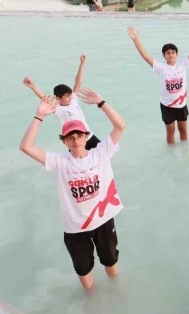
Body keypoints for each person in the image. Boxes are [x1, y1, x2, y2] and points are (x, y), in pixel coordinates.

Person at [18, 88, 126, 290]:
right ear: (64, 141)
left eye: (79, 135)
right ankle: (92, 303)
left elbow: (120, 126)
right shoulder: (60, 162)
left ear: (86, 136)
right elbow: (26, 147)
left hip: (103, 220)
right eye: (70, 137)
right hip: (76, 228)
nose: (76, 139)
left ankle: (116, 294)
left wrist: (101, 102)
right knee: (83, 271)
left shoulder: (101, 154)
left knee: (111, 262)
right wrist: (39, 115)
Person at [127, 21, 189, 144]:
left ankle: (185, 154)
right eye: (168, 53)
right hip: (167, 106)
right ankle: (171, 155)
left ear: (177, 54)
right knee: (170, 131)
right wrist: (135, 40)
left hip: (181, 105)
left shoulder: (183, 65)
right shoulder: (161, 68)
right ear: (164, 56)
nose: (170, 55)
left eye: (173, 52)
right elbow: (145, 56)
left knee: (183, 130)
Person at [23, 55, 101, 150]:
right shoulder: (58, 109)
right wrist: (33, 86)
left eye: (70, 95)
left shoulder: (73, 100)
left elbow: (78, 82)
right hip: (74, 143)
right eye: (67, 96)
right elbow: (44, 98)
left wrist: (82, 64)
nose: (70, 98)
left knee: (105, 155)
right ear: (58, 98)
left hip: (88, 137)